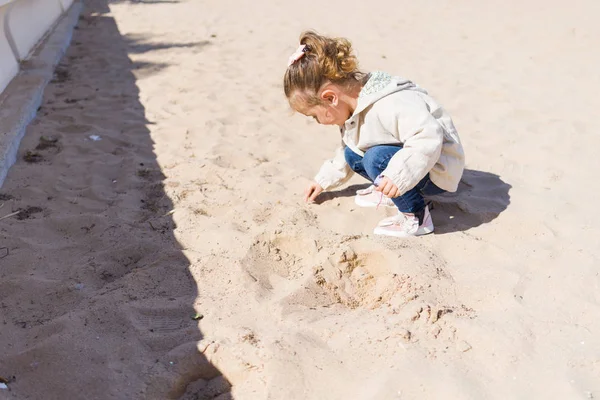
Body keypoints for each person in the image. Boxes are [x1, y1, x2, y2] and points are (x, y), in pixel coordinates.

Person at [283, 31, 465, 237]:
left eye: (314, 116)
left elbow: (428, 136)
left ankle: (417, 217)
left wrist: (397, 176)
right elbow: (347, 148)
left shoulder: (390, 104)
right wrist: (323, 181)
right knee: (352, 154)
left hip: (437, 168)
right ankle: (392, 190)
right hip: (413, 159)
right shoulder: (353, 108)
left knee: (375, 159)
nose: (317, 122)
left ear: (330, 98)